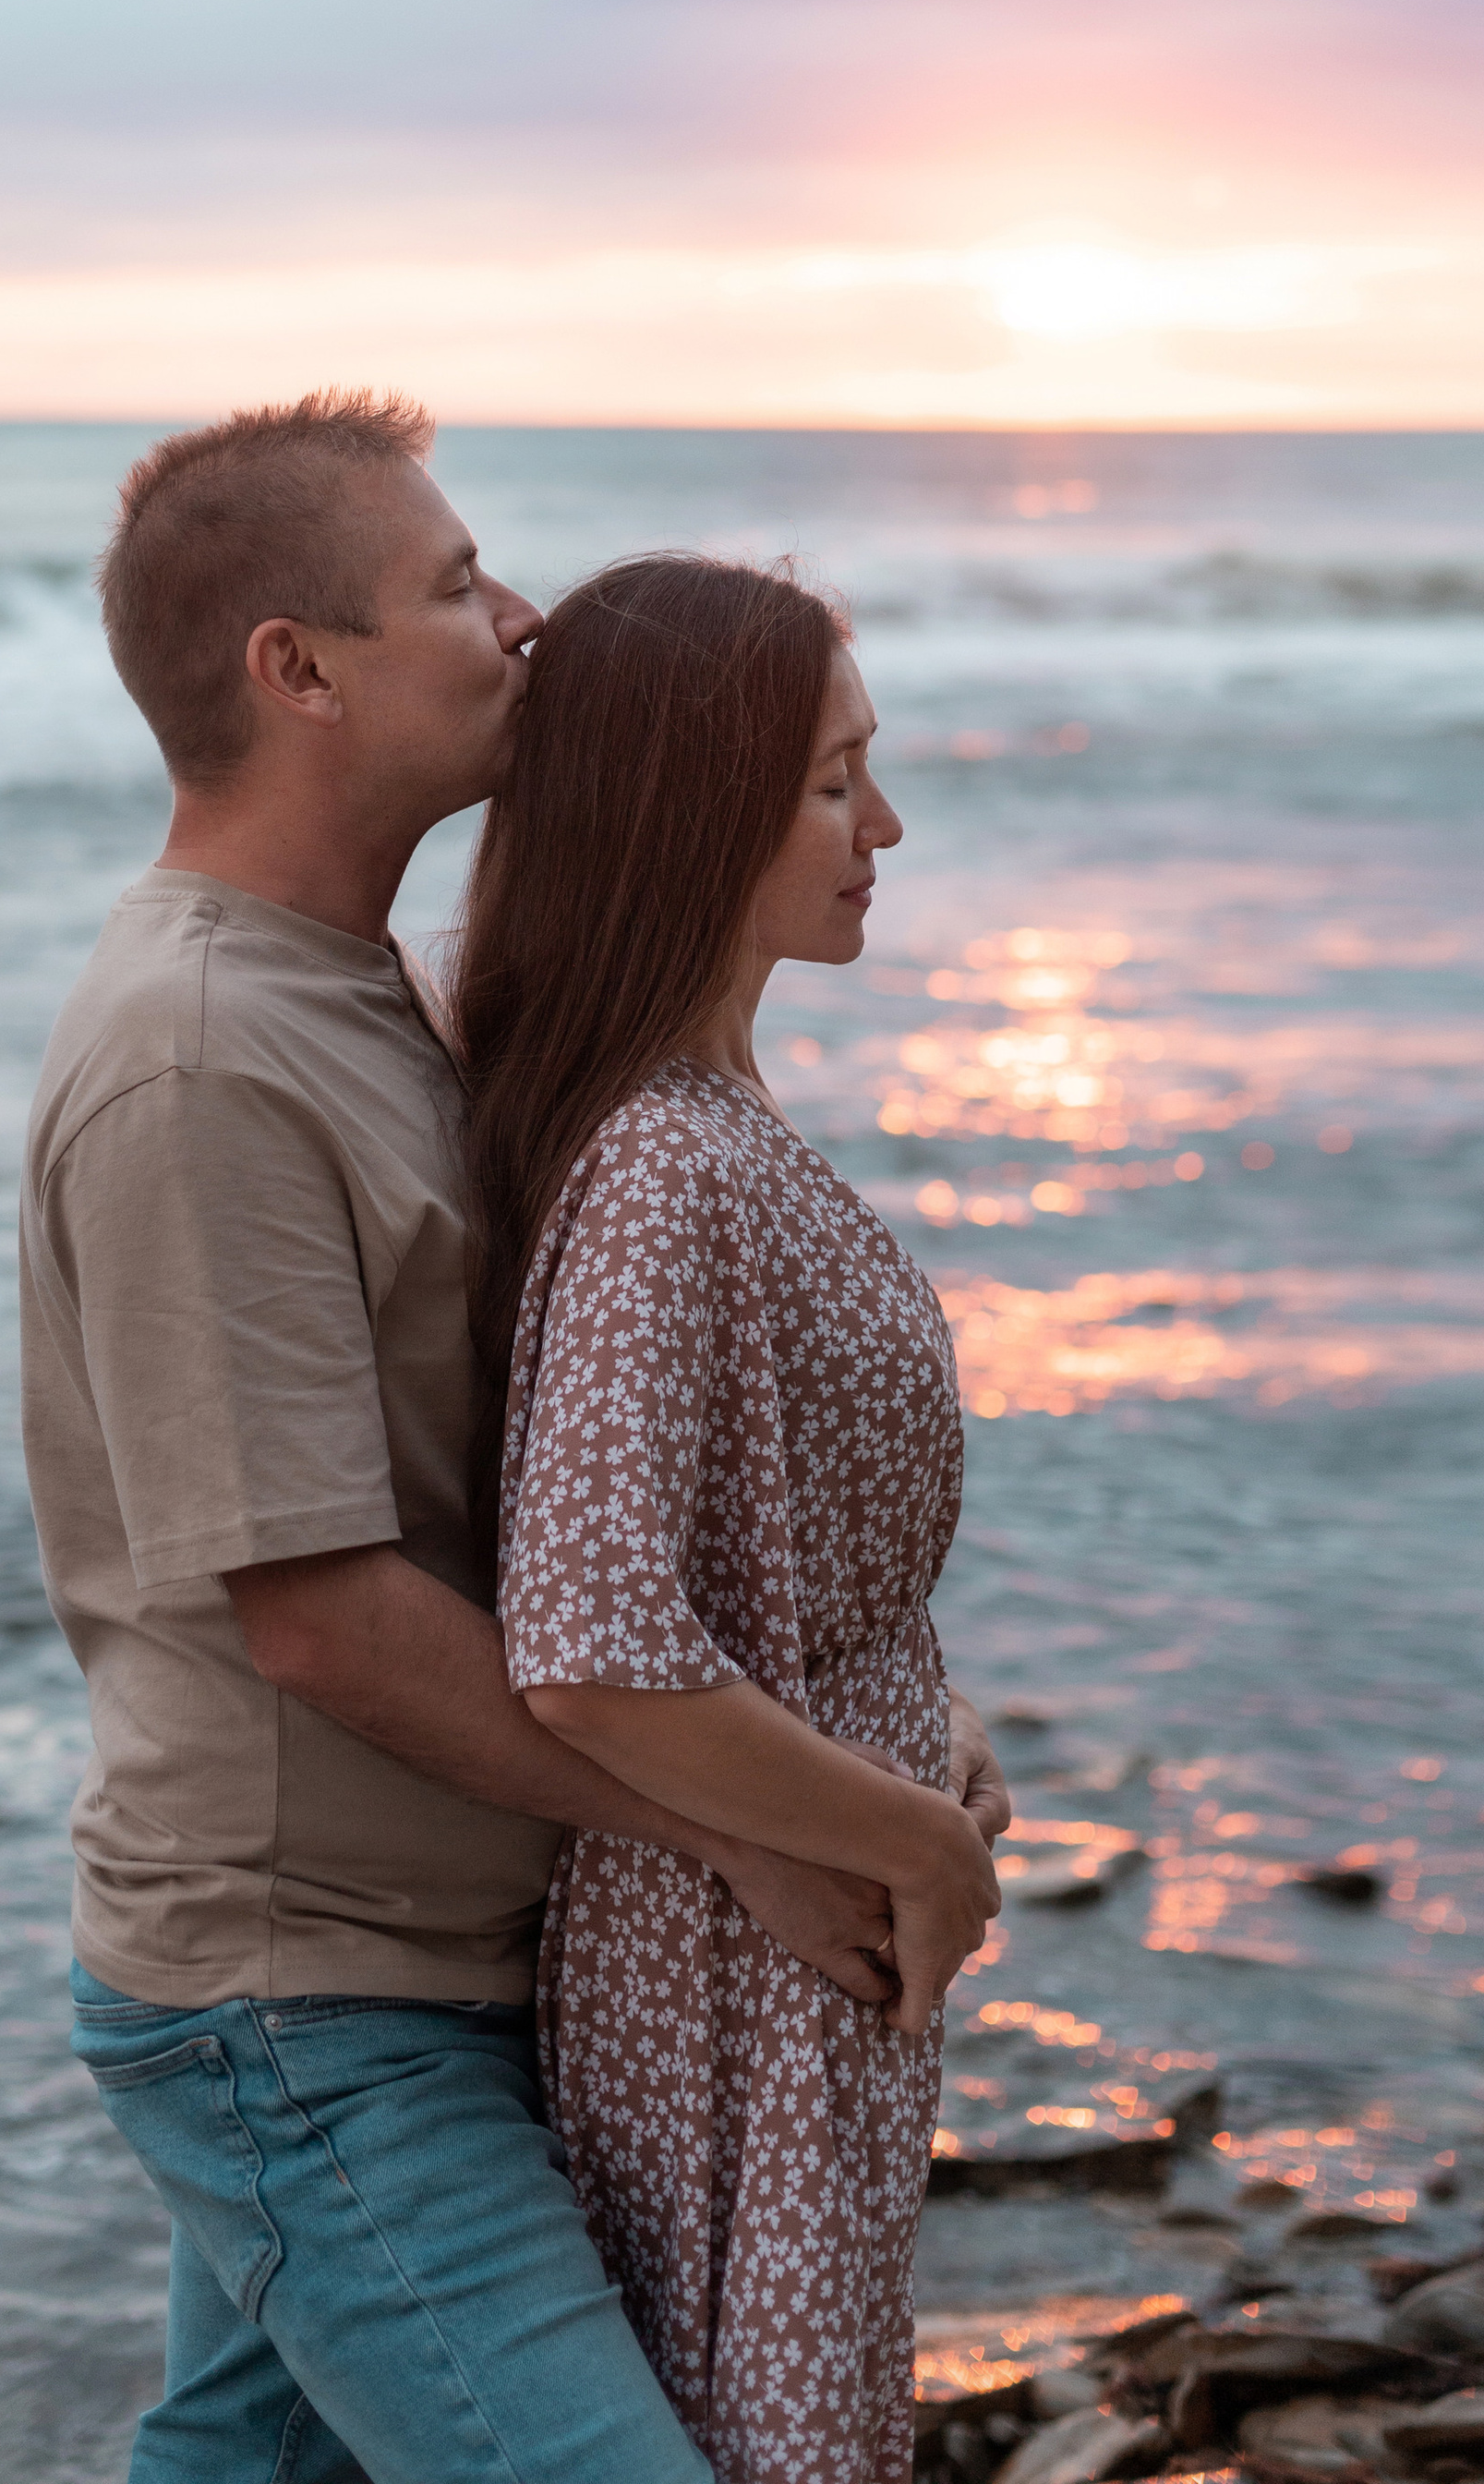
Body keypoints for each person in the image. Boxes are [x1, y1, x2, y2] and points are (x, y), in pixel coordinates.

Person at [18, 394, 918, 2484]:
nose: (517, 619)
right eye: (448, 585)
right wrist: (755, 1835)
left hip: (435, 1962)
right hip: (304, 2007)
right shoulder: (200, 1059)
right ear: (298, 669)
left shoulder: (377, 998)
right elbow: (319, 1616)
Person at [454, 555, 1009, 2484]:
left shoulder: (701, 1125)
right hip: (727, 1957)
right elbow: (594, 1652)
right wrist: (912, 1840)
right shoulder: (661, 1172)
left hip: (788, 1919)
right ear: (690, 813)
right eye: (831, 783)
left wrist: (925, 1722)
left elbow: (744, 1589)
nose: (884, 826)